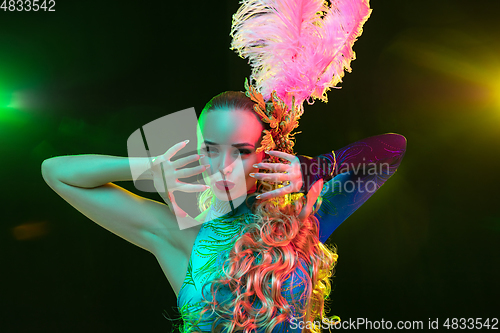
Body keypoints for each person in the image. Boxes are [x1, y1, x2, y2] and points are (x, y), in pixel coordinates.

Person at [42, 0, 407, 332]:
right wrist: (150, 166)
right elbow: (56, 172)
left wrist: (315, 169)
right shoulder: (182, 236)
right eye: (211, 150)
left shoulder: (304, 224)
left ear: (266, 155)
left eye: (241, 152)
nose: (222, 166)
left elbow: (392, 149)